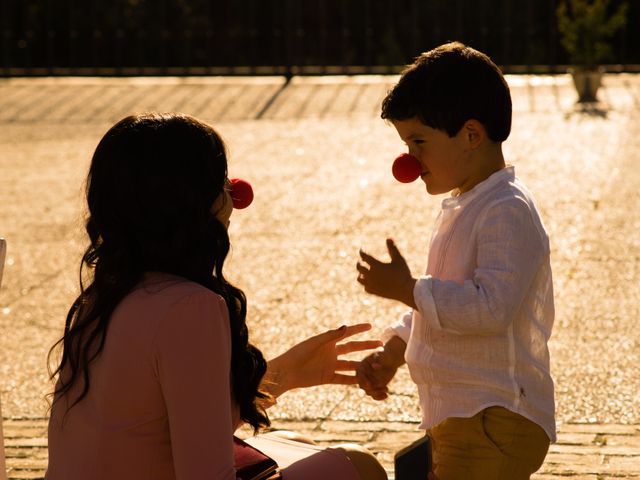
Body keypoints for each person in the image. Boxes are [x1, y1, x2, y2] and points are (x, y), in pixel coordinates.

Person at [46, 113, 388, 480]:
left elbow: (172, 426)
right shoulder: (190, 307)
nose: (232, 192)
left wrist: (283, 374)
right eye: (221, 181)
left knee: (292, 439)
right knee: (360, 464)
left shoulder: (105, 296)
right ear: (192, 202)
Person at [355, 42, 556, 480]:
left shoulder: (507, 209)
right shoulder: (468, 204)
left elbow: (489, 308)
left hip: (495, 416)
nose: (408, 160)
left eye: (418, 142)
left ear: (470, 135)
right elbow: (444, 297)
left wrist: (407, 289)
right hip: (463, 416)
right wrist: (394, 349)